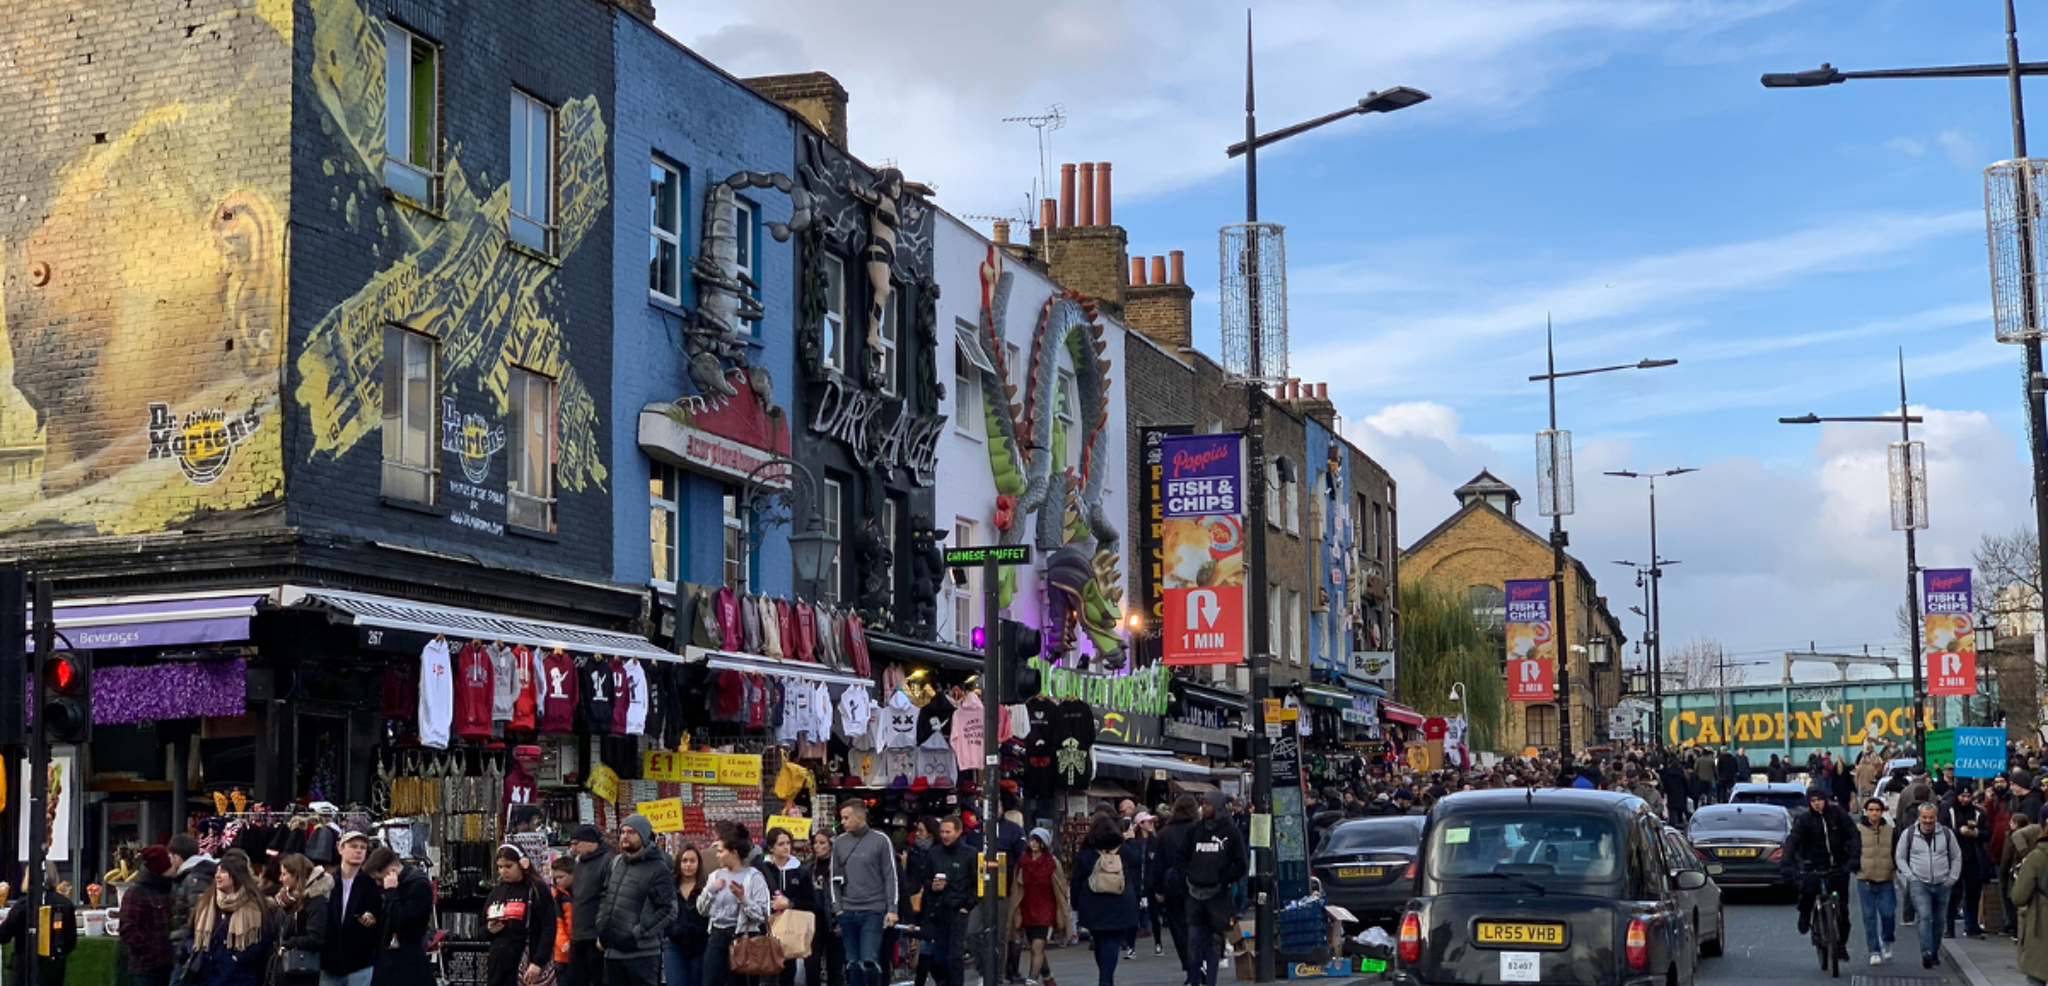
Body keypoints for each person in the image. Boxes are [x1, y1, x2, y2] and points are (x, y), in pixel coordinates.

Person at [598, 814, 679, 986]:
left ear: (643, 836)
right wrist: (602, 926)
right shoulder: (616, 863)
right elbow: (606, 896)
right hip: (613, 952)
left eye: (631, 832)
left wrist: (638, 933)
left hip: (642, 954)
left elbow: (669, 910)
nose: (625, 836)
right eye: (623, 832)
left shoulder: (658, 868)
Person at [1179, 793, 1248, 986]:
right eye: (1202, 804)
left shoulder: (1231, 832)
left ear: (1217, 807)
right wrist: (1189, 875)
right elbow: (1182, 857)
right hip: (1194, 891)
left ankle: (1211, 981)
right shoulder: (1195, 830)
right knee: (1193, 939)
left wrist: (1223, 878)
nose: (1204, 808)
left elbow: (1241, 863)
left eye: (1208, 804)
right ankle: (1194, 980)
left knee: (1214, 942)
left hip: (1218, 893)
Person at [1783, 786, 1858, 961]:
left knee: (1843, 911)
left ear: (1825, 799)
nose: (1817, 804)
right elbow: (1793, 841)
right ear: (1809, 803)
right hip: (1814, 865)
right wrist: (1787, 864)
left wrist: (1854, 858)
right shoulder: (1804, 820)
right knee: (1808, 893)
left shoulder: (1837, 814)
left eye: (1820, 800)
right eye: (1813, 801)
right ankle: (1805, 914)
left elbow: (1853, 834)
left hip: (1838, 865)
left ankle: (1840, 946)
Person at [831, 802, 899, 986]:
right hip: (848, 909)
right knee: (853, 962)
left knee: (869, 960)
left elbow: (890, 876)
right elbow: (834, 877)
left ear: (859, 817)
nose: (842, 822)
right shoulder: (839, 843)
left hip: (873, 909)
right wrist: (838, 908)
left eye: (846, 817)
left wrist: (892, 909)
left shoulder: (880, 840)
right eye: (841, 818)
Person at [1070, 813, 1142, 986]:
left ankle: (1105, 979)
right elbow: (1137, 860)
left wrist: (1075, 903)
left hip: (1093, 903)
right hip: (1120, 902)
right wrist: (1131, 840)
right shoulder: (1122, 848)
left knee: (1099, 940)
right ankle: (1106, 979)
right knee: (1112, 941)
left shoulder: (1087, 852)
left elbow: (1077, 880)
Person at [189, 849, 276, 986]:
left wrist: (237, 958)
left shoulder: (256, 905)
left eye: (223, 872)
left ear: (236, 875)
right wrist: (195, 950)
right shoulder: (206, 902)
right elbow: (191, 933)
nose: (217, 876)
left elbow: (264, 939)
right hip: (207, 976)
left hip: (241, 977)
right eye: (217, 871)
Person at [1895, 802, 1964, 969]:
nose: (1927, 821)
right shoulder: (1909, 834)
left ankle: (1934, 949)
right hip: (1919, 883)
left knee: (1939, 920)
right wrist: (1911, 877)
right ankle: (1926, 952)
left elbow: (1956, 856)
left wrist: (1952, 878)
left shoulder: (1947, 834)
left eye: (1930, 817)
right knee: (1925, 916)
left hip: (1943, 883)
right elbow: (1900, 857)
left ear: (1936, 817)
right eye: (1924, 817)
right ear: (1919, 817)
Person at [699, 827, 772, 986]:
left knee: (738, 981)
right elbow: (702, 909)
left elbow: (763, 914)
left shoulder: (753, 877)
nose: (717, 855)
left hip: (742, 937)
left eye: (720, 851)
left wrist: (742, 898)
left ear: (734, 852)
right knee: (711, 980)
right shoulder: (715, 876)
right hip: (717, 935)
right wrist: (710, 890)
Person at [1007, 827, 1070, 986]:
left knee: (1037, 947)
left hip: (1046, 909)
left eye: (1037, 840)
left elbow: (1060, 887)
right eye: (1032, 840)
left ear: (1044, 843)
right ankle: (1048, 977)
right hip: (1027, 908)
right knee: (1035, 947)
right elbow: (1016, 887)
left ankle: (1032, 980)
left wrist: (1063, 912)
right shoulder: (1023, 862)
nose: (1033, 843)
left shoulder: (1052, 862)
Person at [754, 827, 815, 986]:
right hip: (766, 927)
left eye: (788, 843)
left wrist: (790, 904)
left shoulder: (801, 871)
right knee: (766, 971)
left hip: (790, 929)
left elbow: (811, 902)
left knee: (788, 971)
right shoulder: (761, 869)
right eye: (781, 844)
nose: (786, 847)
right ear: (771, 847)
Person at [485, 846, 554, 986]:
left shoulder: (536, 889)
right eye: (500, 867)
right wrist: (489, 929)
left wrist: (538, 961)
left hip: (526, 960)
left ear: (522, 864)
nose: (503, 871)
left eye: (508, 866)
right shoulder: (497, 891)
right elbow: (481, 928)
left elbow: (549, 927)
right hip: (499, 962)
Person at [366, 846, 435, 985]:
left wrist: (391, 892)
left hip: (407, 965)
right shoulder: (389, 888)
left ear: (391, 872)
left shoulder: (418, 885)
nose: (378, 884)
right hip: (387, 962)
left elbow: (404, 920)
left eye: (379, 879)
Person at [321, 831, 380, 986]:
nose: (359, 851)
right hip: (329, 961)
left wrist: (373, 920)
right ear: (341, 849)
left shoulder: (371, 884)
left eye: (362, 847)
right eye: (353, 846)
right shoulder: (327, 882)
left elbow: (380, 915)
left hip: (359, 961)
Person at [923, 816, 977, 986]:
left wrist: (967, 905)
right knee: (939, 955)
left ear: (959, 832)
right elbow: (925, 878)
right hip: (939, 909)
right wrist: (932, 886)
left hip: (958, 908)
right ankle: (944, 981)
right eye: (942, 832)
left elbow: (978, 884)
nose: (945, 835)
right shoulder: (934, 853)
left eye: (948, 832)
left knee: (955, 955)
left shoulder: (970, 854)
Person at [122, 844, 179, 986]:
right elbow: (128, 930)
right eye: (169, 861)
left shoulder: (171, 890)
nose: (174, 865)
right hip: (145, 969)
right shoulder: (136, 893)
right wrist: (153, 950)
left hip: (170, 964)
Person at [167, 833, 219, 986]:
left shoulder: (194, 879)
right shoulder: (194, 875)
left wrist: (186, 947)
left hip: (189, 949)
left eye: (170, 856)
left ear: (177, 856)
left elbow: (198, 916)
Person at [274, 853, 332, 986]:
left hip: (302, 971)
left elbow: (315, 937)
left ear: (296, 875)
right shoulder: (288, 901)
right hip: (284, 969)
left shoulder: (315, 901)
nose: (280, 879)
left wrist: (289, 944)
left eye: (284, 874)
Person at [1852, 798, 1898, 965]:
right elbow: (1851, 849)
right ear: (1866, 811)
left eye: (1877, 810)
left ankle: (1887, 941)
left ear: (1882, 811)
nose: (1874, 813)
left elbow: (1897, 851)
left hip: (1886, 878)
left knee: (1888, 914)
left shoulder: (1891, 830)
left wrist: (1896, 868)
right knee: (1869, 917)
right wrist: (1855, 867)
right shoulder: (1857, 830)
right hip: (1865, 878)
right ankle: (1874, 950)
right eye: (1871, 810)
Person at [1942, 786, 1990, 940]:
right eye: (1962, 796)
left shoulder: (1978, 813)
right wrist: (1958, 831)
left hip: (1973, 858)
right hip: (1953, 858)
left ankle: (1972, 927)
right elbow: (1942, 830)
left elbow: (1987, 833)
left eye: (1968, 796)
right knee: (1953, 895)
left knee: (1973, 894)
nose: (1965, 799)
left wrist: (1976, 833)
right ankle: (1949, 929)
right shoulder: (1949, 811)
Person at [567, 823, 613, 986]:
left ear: (590, 842)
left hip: (595, 935)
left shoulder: (607, 862)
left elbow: (608, 898)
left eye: (576, 843)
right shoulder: (580, 864)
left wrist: (603, 931)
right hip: (578, 934)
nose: (573, 849)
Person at [2008, 824, 2048, 986]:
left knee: (2036, 975)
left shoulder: (2037, 857)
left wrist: (2020, 878)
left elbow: (2019, 896)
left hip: (2041, 924)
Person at [805, 831, 845, 986]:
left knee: (835, 964)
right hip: (813, 919)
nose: (818, 847)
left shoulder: (839, 866)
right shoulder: (808, 866)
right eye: (815, 843)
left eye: (822, 843)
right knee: (811, 962)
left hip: (834, 917)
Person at [668, 844, 711, 986]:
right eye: (684, 860)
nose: (688, 865)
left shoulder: (705, 887)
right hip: (674, 945)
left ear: (699, 863)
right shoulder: (670, 886)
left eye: (692, 861)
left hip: (701, 945)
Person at [1127, 812, 1157, 958]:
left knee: (1153, 913)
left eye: (1152, 821)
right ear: (1140, 824)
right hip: (1135, 882)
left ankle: (1158, 943)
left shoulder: (1155, 841)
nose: (1151, 824)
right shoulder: (1134, 842)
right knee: (1133, 915)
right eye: (1147, 822)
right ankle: (1131, 946)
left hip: (1150, 883)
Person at [550, 857, 576, 986]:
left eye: (561, 877)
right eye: (556, 878)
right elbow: (558, 924)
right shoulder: (558, 896)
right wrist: (565, 943)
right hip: (563, 952)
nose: (558, 881)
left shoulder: (575, 894)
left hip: (575, 946)